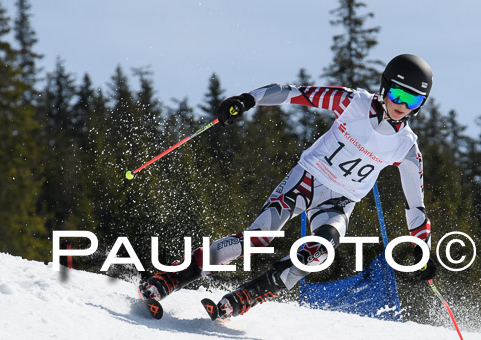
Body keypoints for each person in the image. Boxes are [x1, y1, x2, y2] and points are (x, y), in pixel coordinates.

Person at [139, 54, 437, 318]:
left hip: (340, 203)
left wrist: (423, 250)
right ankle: (170, 278)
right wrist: (247, 100)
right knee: (256, 239)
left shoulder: (407, 147)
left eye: (413, 101)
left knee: (319, 251)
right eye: (398, 94)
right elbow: (292, 93)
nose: (402, 105)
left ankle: (245, 297)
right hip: (306, 180)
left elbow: (416, 207)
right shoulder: (351, 102)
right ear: (385, 87)